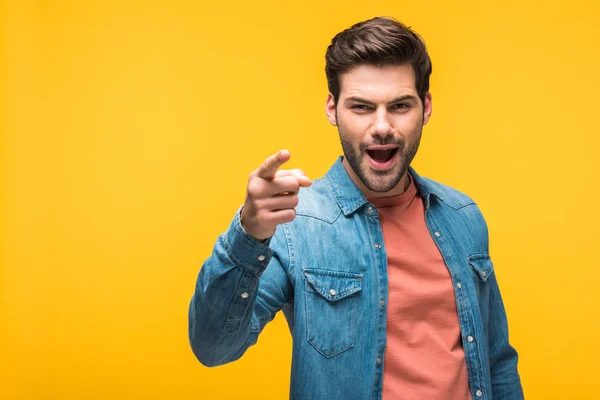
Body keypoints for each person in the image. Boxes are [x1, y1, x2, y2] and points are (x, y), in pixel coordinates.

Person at [188, 16, 524, 400]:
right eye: (362, 107)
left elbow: (497, 361)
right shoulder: (295, 226)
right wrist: (248, 236)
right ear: (333, 109)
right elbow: (213, 348)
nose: (382, 126)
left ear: (425, 107)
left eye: (400, 105)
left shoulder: (463, 216)